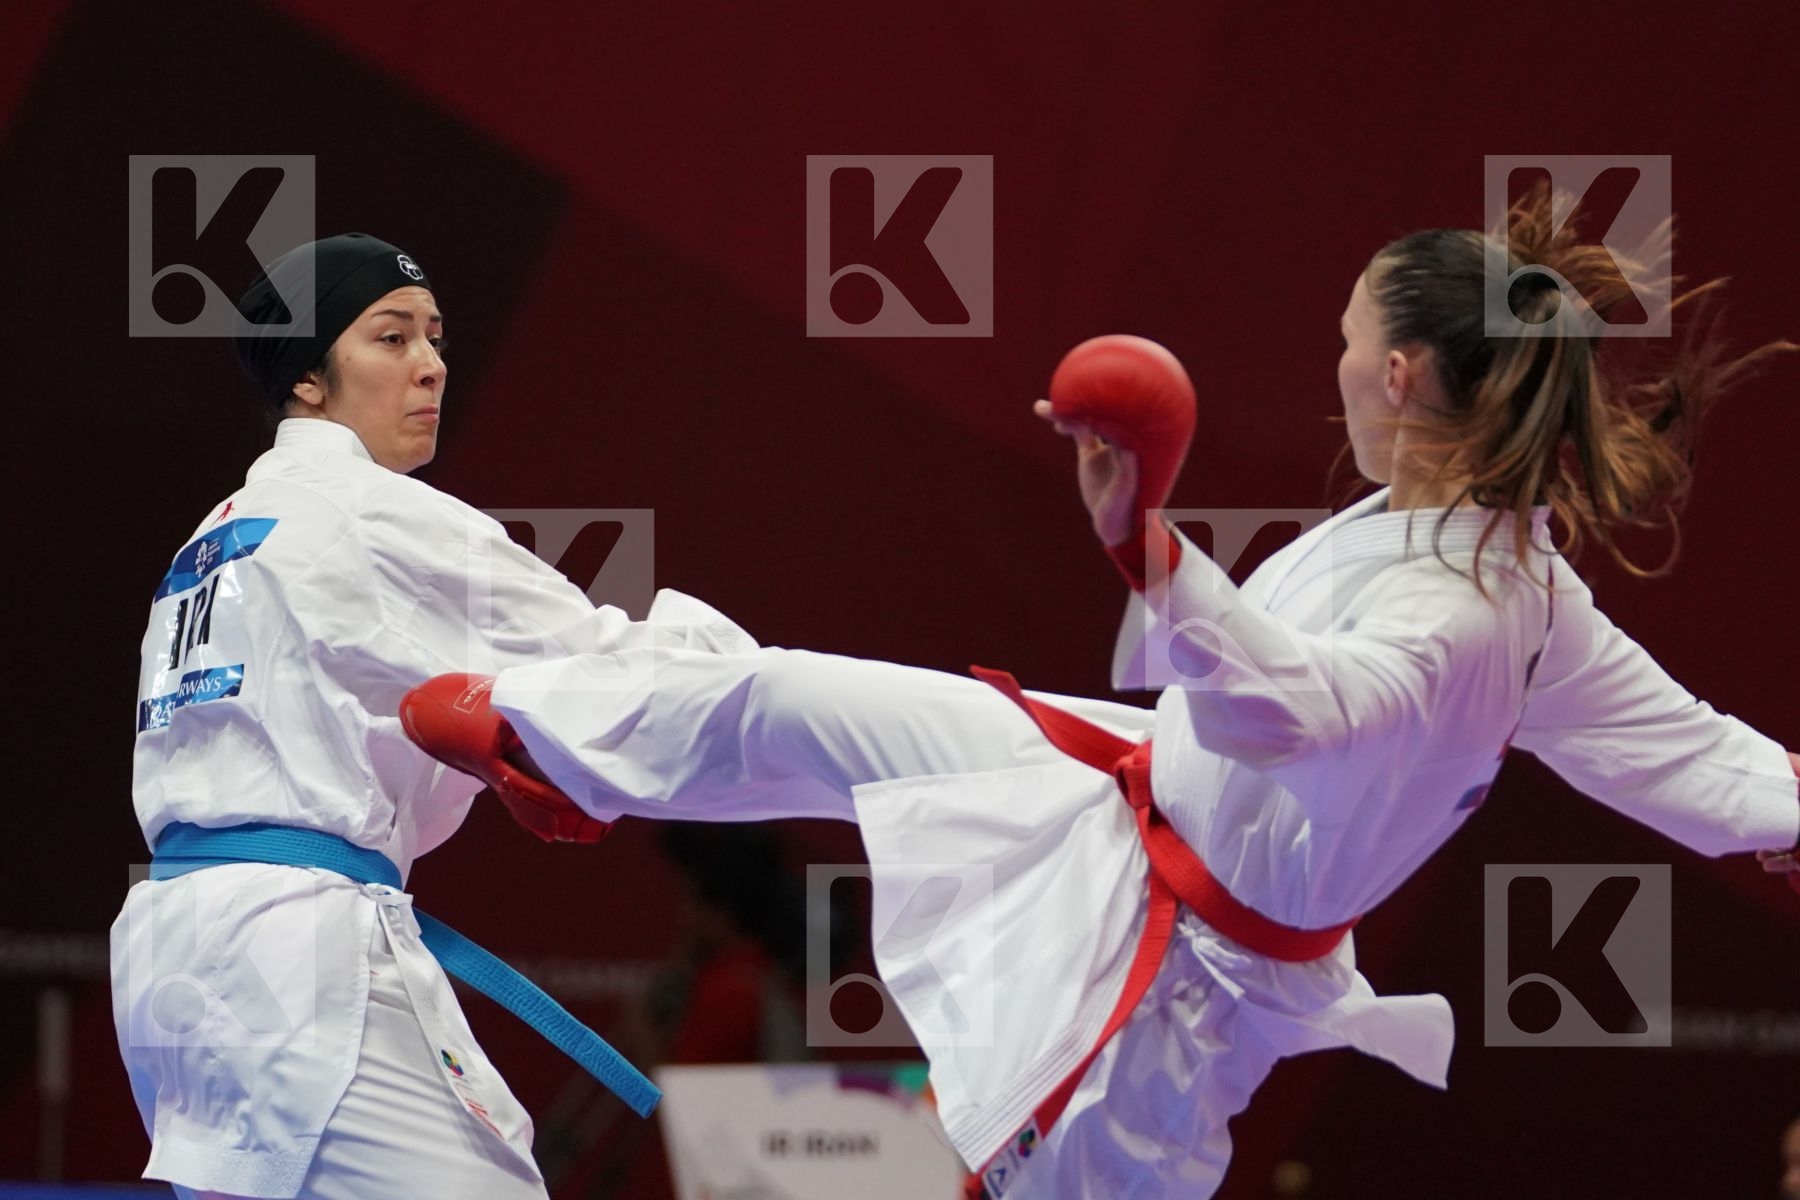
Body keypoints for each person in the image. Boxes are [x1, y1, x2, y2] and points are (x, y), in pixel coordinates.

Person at [403, 184, 1800, 1198]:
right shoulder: (1456, 548)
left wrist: (1147, 549)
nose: (1333, 365)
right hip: (1123, 778)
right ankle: (539, 732)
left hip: (1196, 984)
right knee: (803, 700)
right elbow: (1710, 759)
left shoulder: (1482, 612)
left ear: (1400, 372)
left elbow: (1296, 712)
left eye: (1339, 338)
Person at [112, 233, 759, 1200]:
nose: (432, 365)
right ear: (309, 382)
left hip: (172, 951)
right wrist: (785, 689)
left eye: (437, 337)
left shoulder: (209, 541)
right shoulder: (372, 511)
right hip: (300, 953)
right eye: (390, 337)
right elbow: (606, 663)